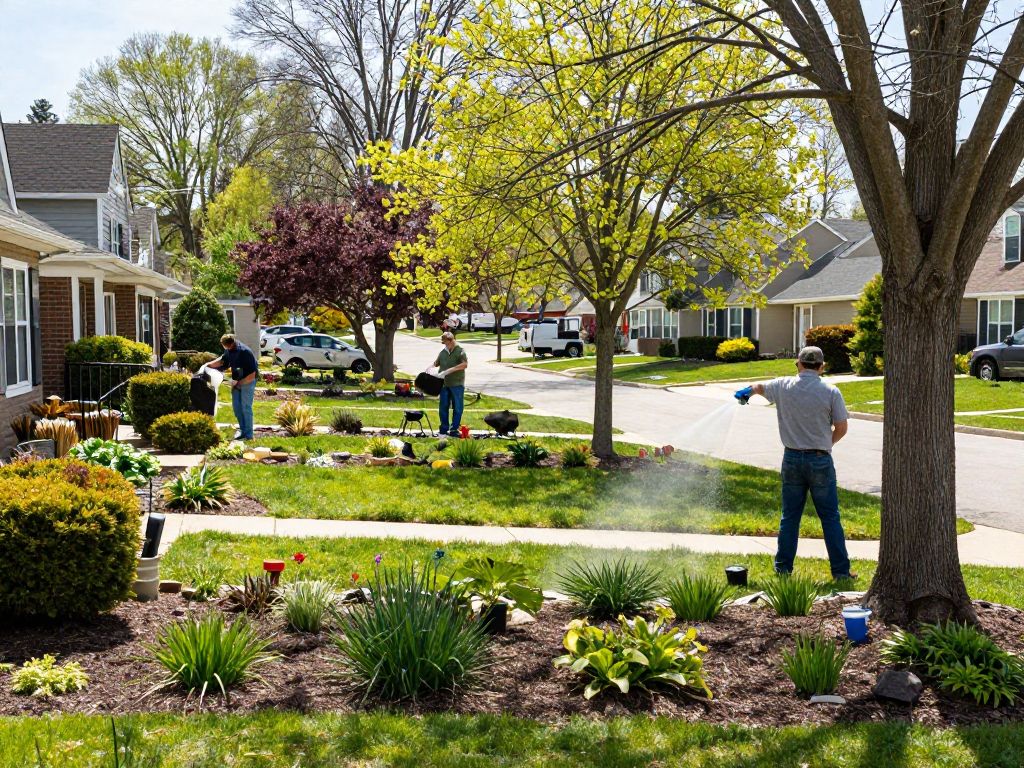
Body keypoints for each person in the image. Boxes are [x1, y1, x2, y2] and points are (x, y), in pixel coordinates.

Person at [740, 346, 855, 580]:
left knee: (790, 516)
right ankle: (841, 572)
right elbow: (842, 427)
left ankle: (783, 570)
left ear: (798, 364)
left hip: (791, 459)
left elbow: (759, 387)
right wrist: (826, 444)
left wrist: (747, 391)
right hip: (820, 459)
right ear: (821, 367)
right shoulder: (831, 391)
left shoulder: (783, 386)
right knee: (830, 516)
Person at [206, 333, 259, 440]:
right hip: (237, 380)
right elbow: (222, 361)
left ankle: (248, 435)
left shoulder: (245, 352)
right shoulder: (229, 351)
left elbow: (252, 375)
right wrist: (208, 365)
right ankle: (243, 431)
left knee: (246, 407)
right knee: (237, 408)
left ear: (229, 344)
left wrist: (239, 383)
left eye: (224, 345)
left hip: (248, 380)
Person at [433, 331, 468, 436]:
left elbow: (464, 365)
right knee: (443, 407)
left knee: (457, 407)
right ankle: (444, 428)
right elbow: (436, 363)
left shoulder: (460, 351)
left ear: (451, 340)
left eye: (446, 343)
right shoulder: (443, 352)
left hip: (456, 384)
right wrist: (431, 369)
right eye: (443, 343)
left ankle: (454, 429)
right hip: (444, 384)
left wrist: (449, 370)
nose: (445, 345)